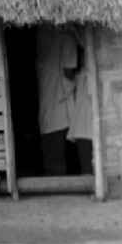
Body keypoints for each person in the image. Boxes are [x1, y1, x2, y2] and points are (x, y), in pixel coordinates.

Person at [36, 25, 78, 175]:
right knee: (62, 153)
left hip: (48, 105)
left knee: (52, 155)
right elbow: (69, 72)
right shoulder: (67, 39)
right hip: (61, 105)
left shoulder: (41, 34)